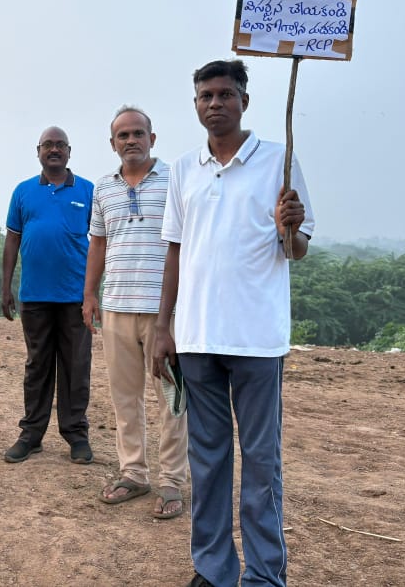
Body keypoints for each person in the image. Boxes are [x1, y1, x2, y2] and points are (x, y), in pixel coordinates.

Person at [151, 60, 314, 587]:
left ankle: (264, 574)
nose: (215, 103)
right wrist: (163, 327)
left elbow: (296, 250)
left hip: (258, 338)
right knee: (208, 459)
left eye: (225, 94)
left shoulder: (279, 162)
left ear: (245, 100)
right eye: (206, 95)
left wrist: (291, 227)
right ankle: (213, 568)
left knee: (261, 461)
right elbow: (175, 250)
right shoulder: (184, 168)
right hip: (197, 336)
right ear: (195, 104)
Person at [83, 106, 188, 519]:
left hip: (165, 312)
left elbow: (185, 243)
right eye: (123, 135)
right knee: (125, 397)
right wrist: (90, 294)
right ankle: (134, 473)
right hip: (116, 307)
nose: (131, 141)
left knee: (171, 398)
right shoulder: (102, 188)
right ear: (113, 143)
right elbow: (98, 244)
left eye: (138, 133)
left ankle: (172, 480)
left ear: (152, 138)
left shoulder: (175, 180)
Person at [1, 126, 95, 464]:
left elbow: (99, 242)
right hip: (35, 295)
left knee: (76, 366)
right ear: (38, 151)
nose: (54, 150)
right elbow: (12, 239)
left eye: (60, 145)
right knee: (37, 365)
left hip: (75, 296)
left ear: (69, 152)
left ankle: (76, 435)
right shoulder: (23, 191)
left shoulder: (88, 190)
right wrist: (6, 286)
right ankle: (31, 434)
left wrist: (93, 292)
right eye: (48, 145)